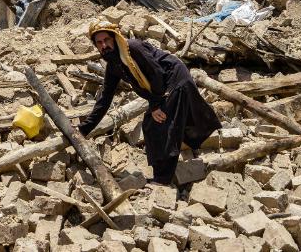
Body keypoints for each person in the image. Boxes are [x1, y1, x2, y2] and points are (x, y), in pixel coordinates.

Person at [78, 20, 221, 185]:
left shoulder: (132, 48)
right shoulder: (113, 65)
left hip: (173, 80)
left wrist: (155, 106)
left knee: (160, 126)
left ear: (115, 38)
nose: (104, 45)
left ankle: (163, 180)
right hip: (161, 88)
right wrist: (84, 129)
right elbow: (105, 98)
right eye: (99, 43)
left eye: (107, 40)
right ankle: (172, 163)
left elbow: (157, 73)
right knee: (153, 124)